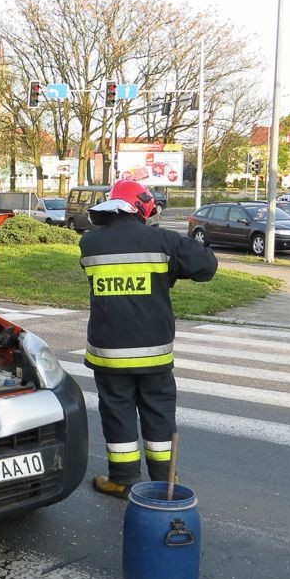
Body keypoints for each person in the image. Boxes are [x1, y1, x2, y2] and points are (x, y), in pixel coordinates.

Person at [79, 180, 218, 499]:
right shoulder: (163, 241)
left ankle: (123, 480)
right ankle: (166, 480)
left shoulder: (89, 244)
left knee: (117, 413)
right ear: (142, 207)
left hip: (109, 352)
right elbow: (205, 268)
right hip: (153, 353)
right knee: (159, 414)